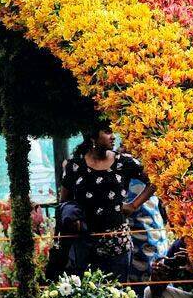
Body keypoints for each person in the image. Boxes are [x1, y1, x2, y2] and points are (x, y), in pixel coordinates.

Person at [59, 118, 155, 283]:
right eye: (107, 132)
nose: (113, 137)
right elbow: (64, 201)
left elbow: (154, 181)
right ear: (93, 138)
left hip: (117, 244)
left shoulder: (124, 162)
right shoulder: (74, 165)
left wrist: (133, 205)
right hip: (84, 243)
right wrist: (72, 220)